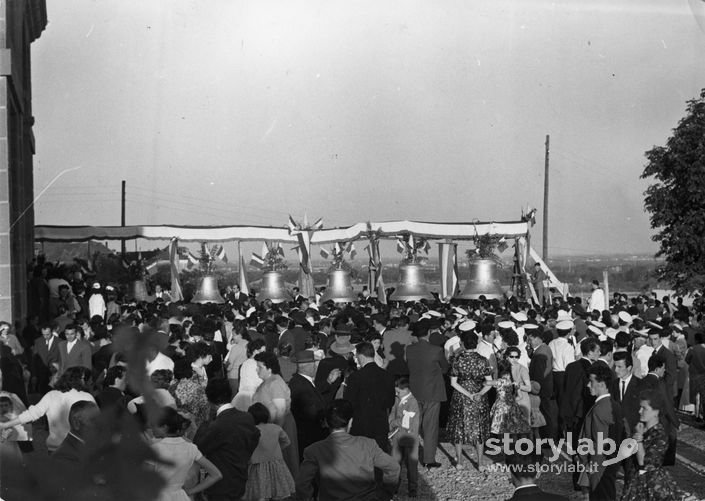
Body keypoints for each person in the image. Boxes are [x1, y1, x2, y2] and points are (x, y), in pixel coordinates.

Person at [295, 399, 400, 501]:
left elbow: (302, 483)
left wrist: (307, 497)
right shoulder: (367, 445)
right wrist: (385, 494)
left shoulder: (314, 450)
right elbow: (393, 467)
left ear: (326, 422)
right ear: (350, 422)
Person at [193, 378, 260, 501]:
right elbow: (255, 437)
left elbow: (198, 447)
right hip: (241, 475)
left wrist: (206, 422)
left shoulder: (216, 425)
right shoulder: (246, 417)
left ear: (210, 401)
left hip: (220, 482)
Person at [0, 366, 95, 453]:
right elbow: (97, 422)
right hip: (81, 447)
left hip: (56, 448)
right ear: (81, 380)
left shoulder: (51, 395)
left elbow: (31, 414)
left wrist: (6, 424)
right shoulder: (87, 397)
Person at [620, 389, 682, 501]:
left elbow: (644, 463)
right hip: (633, 482)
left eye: (644, 408)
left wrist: (638, 440)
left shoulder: (660, 434)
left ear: (656, 411)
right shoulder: (640, 428)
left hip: (650, 487)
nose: (639, 411)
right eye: (640, 407)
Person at [150, 407, 223, 501]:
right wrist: (190, 491)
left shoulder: (154, 449)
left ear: (165, 427)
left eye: (153, 425)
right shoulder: (191, 448)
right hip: (180, 496)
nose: (151, 429)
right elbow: (216, 475)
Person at [446, 330, 492, 471]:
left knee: (459, 428)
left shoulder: (457, 360)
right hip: (479, 396)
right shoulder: (483, 360)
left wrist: (468, 394)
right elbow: (489, 382)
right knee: (479, 429)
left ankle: (459, 461)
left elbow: (453, 383)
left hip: (461, 396)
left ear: (462, 344)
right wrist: (478, 393)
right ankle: (480, 463)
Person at [404, 320, 448, 467]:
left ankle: (410, 456)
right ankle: (429, 459)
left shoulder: (409, 349)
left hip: (415, 389)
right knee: (430, 427)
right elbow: (445, 368)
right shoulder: (436, 350)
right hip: (433, 391)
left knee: (414, 425)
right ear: (428, 333)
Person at [577, 363, 623, 501]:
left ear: (602, 384)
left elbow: (600, 442)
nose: (588, 386)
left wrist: (592, 466)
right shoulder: (613, 404)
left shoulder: (600, 408)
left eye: (591, 382)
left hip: (600, 465)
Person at [252, 351, 299, 478]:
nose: (257, 370)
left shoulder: (275, 383)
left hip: (280, 427)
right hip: (272, 428)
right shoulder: (269, 381)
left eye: (260, 367)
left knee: (283, 462)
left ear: (269, 368)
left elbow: (281, 411)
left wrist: (276, 434)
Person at [344, 341, 396, 452]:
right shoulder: (387, 375)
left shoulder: (355, 377)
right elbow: (390, 402)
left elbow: (349, 404)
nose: (356, 360)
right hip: (380, 425)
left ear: (361, 356)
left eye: (357, 357)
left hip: (361, 426)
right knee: (378, 460)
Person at [244, 402, 296, 501]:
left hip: (257, 465)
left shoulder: (251, 431)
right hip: (276, 463)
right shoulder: (276, 428)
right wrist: (276, 448)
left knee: (261, 493)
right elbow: (286, 441)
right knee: (278, 491)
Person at [288, 349, 329, 461]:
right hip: (309, 436)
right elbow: (311, 412)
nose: (316, 367)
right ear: (309, 366)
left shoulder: (300, 381)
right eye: (314, 364)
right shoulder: (300, 385)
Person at [611, 351, 643, 488]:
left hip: (632, 436)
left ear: (629, 368)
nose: (616, 370)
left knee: (630, 475)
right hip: (614, 438)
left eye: (620, 367)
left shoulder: (641, 385)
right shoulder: (612, 385)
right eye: (615, 366)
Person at [388, 377, 420, 498]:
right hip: (397, 437)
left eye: (399, 392)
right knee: (395, 463)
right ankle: (394, 487)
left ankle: (413, 489)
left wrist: (393, 423)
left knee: (411, 465)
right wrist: (391, 422)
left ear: (406, 389)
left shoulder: (413, 402)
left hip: (410, 438)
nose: (397, 394)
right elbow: (392, 413)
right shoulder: (397, 399)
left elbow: (405, 422)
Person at [486, 360, 531, 435]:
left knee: (501, 429)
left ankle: (503, 445)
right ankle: (513, 445)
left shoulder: (499, 381)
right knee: (512, 428)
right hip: (512, 406)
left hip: (501, 407)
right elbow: (520, 396)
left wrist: (490, 374)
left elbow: (487, 383)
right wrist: (511, 401)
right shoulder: (514, 383)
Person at [527, 328, 555, 440]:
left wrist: (533, 388)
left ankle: (547, 438)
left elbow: (538, 375)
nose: (529, 342)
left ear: (538, 339)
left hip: (541, 389)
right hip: (546, 387)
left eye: (531, 340)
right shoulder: (544, 348)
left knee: (544, 414)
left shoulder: (540, 353)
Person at [232, 338, 265, 412]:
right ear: (255, 351)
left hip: (242, 398)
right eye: (262, 351)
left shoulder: (245, 363)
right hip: (253, 398)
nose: (264, 354)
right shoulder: (256, 364)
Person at [505, 346, 531, 424]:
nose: (514, 359)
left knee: (524, 428)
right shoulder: (504, 368)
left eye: (517, 357)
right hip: (509, 401)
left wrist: (518, 385)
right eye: (512, 356)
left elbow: (529, 388)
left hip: (522, 401)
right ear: (507, 357)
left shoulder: (522, 369)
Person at [685, 331, 705, 422]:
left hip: (695, 374)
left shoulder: (693, 349)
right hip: (703, 374)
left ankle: (697, 415)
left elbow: (687, 360)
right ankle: (701, 414)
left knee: (696, 395)